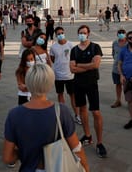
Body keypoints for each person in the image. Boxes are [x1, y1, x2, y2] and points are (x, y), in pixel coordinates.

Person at [3, 64, 89, 171]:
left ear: (27, 83)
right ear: (50, 84)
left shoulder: (14, 114)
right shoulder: (61, 111)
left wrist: (23, 153)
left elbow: (8, 158)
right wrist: (85, 168)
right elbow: (76, 148)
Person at [70, 24, 107, 158]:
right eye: (80, 32)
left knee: (96, 112)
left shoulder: (95, 47)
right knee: (83, 110)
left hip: (91, 84)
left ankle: (100, 142)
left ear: (88, 33)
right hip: (78, 83)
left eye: (84, 32)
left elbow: (96, 65)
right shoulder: (74, 50)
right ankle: (87, 135)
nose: (82, 34)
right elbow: (72, 69)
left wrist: (79, 65)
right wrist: (88, 66)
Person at [50, 26, 81, 123]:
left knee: (72, 95)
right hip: (58, 75)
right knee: (60, 94)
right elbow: (52, 59)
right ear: (56, 35)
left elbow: (74, 58)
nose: (60, 35)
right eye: (58, 34)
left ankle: (77, 115)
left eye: (61, 33)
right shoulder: (53, 47)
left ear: (64, 33)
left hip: (69, 75)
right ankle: (63, 114)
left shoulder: (70, 45)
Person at [111, 29, 127, 108]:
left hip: (126, 69)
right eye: (119, 33)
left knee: (127, 85)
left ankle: (129, 101)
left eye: (123, 33)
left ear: (125, 34)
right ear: (117, 34)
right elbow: (113, 53)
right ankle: (118, 100)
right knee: (118, 84)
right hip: (116, 68)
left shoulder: (128, 43)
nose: (121, 34)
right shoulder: (115, 43)